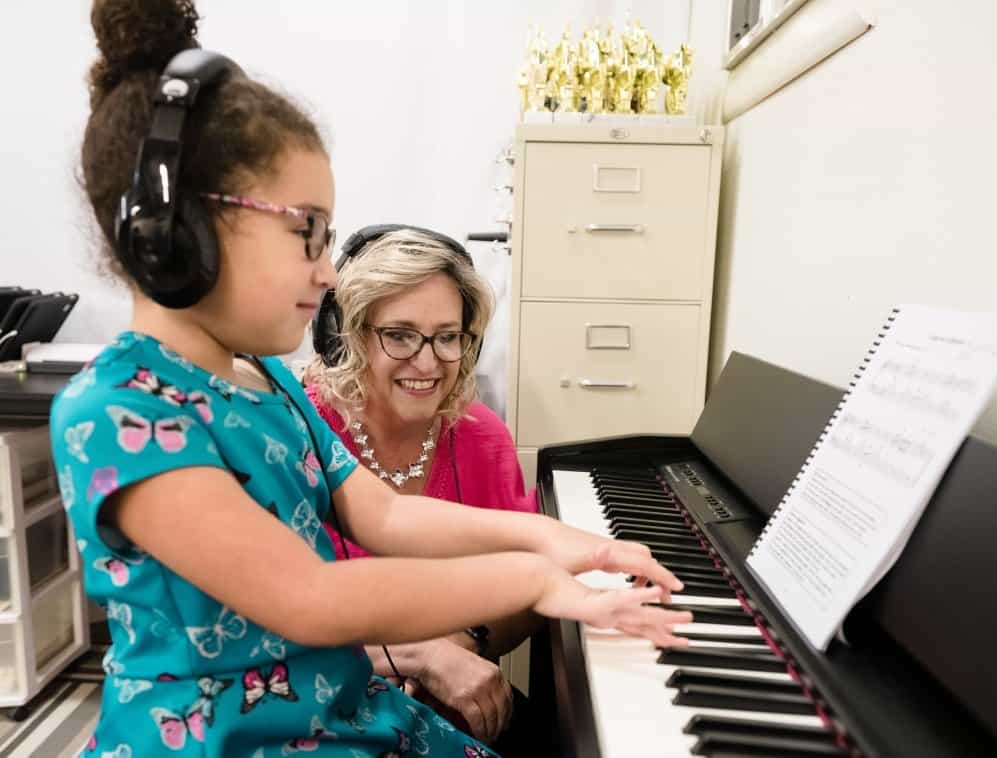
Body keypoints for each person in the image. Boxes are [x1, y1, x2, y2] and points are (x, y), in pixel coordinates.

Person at [54, 2, 691, 756]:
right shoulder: (119, 413)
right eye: (307, 232)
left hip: (337, 714)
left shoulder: (271, 383)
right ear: (179, 230)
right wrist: (531, 579)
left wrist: (562, 541)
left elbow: (385, 519)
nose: (327, 271)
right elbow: (312, 599)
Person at [304, 227, 538, 749]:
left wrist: (463, 640)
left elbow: (523, 593)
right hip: (314, 716)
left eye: (448, 336)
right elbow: (256, 625)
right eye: (401, 335)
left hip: (452, 712)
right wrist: (419, 654)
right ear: (351, 334)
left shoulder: (482, 437)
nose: (429, 362)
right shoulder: (300, 432)